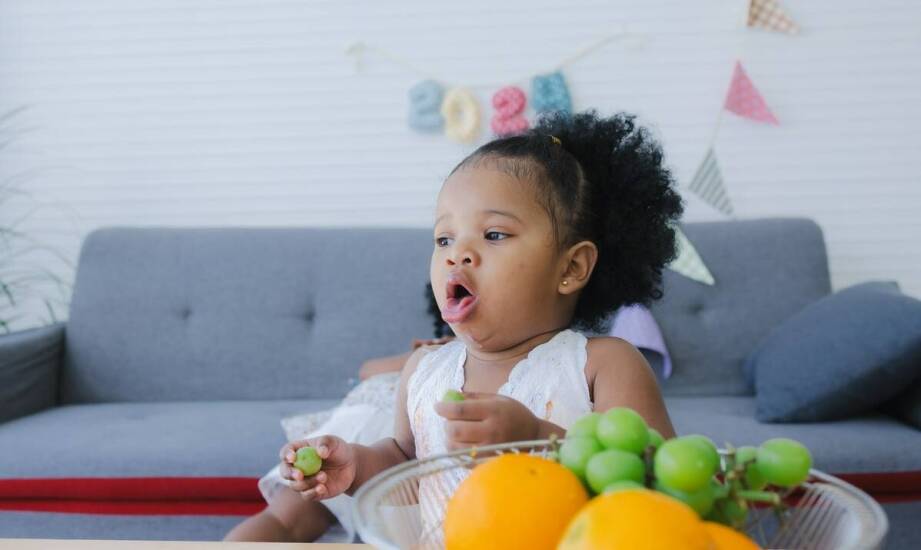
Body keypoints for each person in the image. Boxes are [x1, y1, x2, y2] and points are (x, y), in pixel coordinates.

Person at [277, 110, 685, 540]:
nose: (457, 254)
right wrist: (358, 467)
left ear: (572, 267)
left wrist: (536, 438)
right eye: (444, 239)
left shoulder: (603, 365)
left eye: (493, 235)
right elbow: (410, 464)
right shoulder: (423, 370)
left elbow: (655, 482)